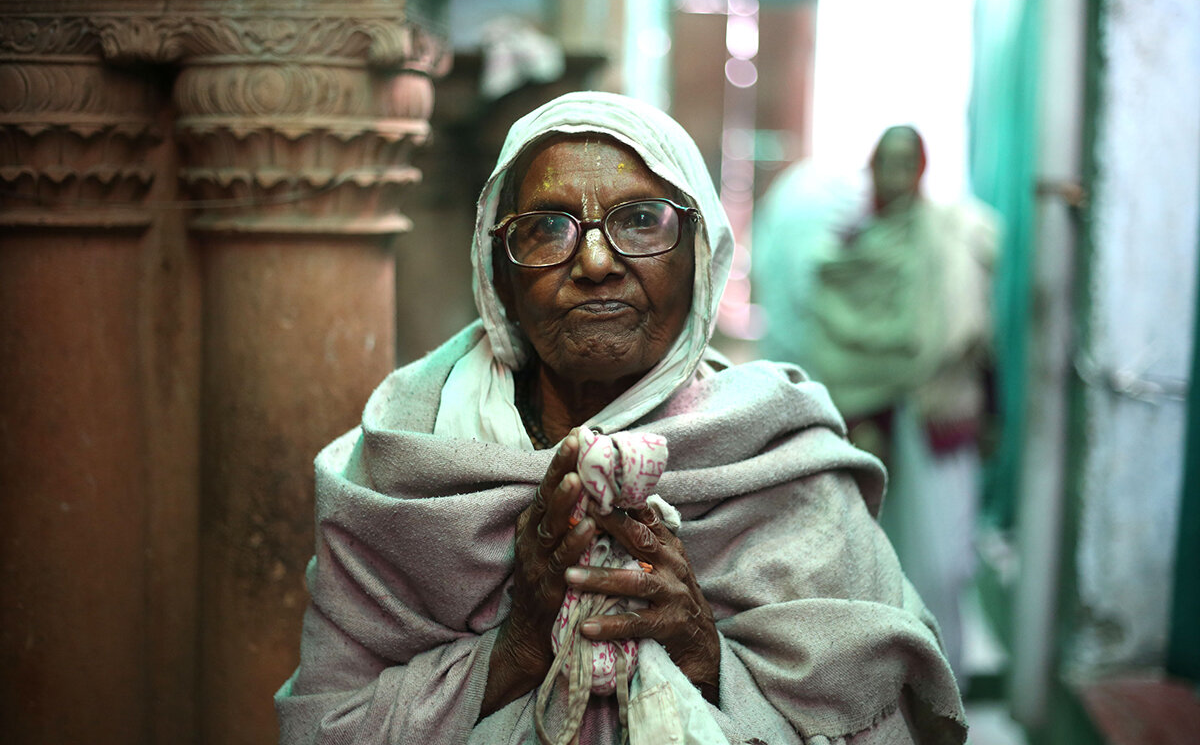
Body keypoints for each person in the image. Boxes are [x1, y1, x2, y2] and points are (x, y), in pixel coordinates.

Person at [275, 94, 966, 744]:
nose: (597, 262)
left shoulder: (779, 455)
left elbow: (891, 713)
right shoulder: (411, 451)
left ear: (699, 254)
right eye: (547, 229)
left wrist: (704, 649)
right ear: (499, 273)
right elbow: (327, 722)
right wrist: (516, 647)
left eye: (641, 220)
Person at [754, 125, 999, 685]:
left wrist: (990, 411)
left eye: (904, 164)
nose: (893, 176)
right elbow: (831, 329)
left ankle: (943, 694)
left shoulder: (955, 235)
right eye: (883, 164)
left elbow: (974, 336)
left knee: (940, 566)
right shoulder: (849, 246)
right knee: (865, 568)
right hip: (867, 421)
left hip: (934, 422)